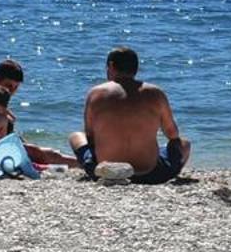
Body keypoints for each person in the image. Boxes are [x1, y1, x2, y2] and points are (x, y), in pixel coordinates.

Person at [68, 46, 189, 184]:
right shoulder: (156, 93)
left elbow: (90, 135)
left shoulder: (96, 93)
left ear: (111, 66)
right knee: (184, 144)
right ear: (136, 68)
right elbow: (173, 134)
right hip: (151, 174)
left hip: (105, 172)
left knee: (76, 136)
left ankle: (97, 168)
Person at [0, 58, 75, 167]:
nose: (11, 91)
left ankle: (83, 162)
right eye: (8, 85)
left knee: (45, 152)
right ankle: (83, 163)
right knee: (46, 154)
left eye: (16, 87)